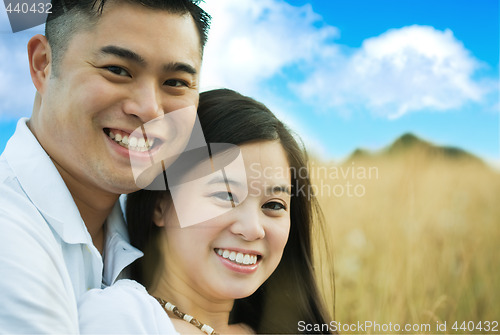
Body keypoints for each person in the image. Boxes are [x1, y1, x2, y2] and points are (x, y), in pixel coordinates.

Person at [0, 0, 210, 333]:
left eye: (175, 83)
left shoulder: (157, 227)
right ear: (43, 64)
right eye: (118, 70)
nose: (149, 110)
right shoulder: (8, 239)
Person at [78, 89, 335, 334]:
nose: (253, 228)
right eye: (225, 195)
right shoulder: (123, 319)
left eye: (274, 205)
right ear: (161, 204)